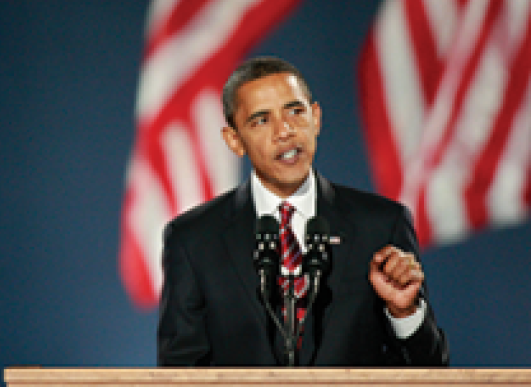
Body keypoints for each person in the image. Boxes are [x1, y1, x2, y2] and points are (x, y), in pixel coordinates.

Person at [157, 56, 449, 366]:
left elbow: (431, 370)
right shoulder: (193, 240)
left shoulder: (381, 225)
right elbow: (179, 373)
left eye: (295, 111)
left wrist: (404, 313)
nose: (284, 131)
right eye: (261, 120)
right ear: (234, 140)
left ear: (316, 118)